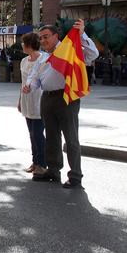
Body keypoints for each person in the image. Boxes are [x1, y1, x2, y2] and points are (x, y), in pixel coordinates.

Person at [23, 20, 99, 189]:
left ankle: (75, 175)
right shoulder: (43, 57)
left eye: (46, 37)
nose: (43, 41)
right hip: (47, 98)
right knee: (51, 137)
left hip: (66, 97)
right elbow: (35, 76)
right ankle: (53, 170)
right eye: (41, 38)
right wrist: (29, 86)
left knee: (71, 138)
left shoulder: (70, 50)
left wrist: (82, 35)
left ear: (56, 36)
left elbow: (93, 54)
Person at [18, 32, 47, 177]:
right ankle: (35, 162)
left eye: (24, 43)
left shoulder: (43, 59)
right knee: (31, 134)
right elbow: (22, 82)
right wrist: (19, 100)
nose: (22, 45)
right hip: (26, 100)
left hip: (38, 100)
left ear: (29, 44)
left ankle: (42, 163)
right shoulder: (24, 61)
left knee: (37, 134)